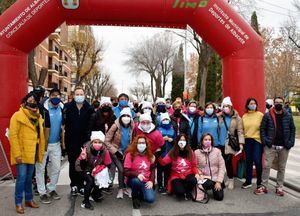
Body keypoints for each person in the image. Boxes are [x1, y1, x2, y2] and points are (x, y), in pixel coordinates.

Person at [9, 92, 46, 214]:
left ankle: (29, 200)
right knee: (21, 178)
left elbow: (40, 136)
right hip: (22, 153)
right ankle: (18, 202)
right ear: (25, 101)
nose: (32, 101)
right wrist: (17, 154)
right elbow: (13, 136)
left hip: (33, 152)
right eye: (29, 99)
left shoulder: (38, 117)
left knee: (29, 178)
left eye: (34, 100)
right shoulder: (17, 116)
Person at [257, 97, 295, 196]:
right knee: (267, 166)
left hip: (284, 146)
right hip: (270, 146)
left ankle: (279, 187)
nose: (278, 104)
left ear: (283, 104)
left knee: (282, 167)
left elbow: (292, 129)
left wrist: (290, 143)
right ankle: (264, 186)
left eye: (280, 102)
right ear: (273, 104)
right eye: (276, 102)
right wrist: (265, 141)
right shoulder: (268, 115)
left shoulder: (288, 115)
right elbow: (262, 129)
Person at [36, 88, 65, 204]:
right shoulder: (42, 109)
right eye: (53, 95)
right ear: (49, 96)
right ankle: (42, 192)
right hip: (43, 144)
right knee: (40, 169)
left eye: (58, 95)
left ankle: (52, 188)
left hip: (56, 144)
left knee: (57, 168)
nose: (56, 97)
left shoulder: (63, 108)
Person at [64, 86, 94, 196]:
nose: (79, 96)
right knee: (72, 163)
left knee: (82, 163)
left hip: (84, 141)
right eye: (77, 94)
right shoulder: (67, 107)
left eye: (81, 94)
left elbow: (91, 125)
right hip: (71, 140)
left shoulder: (89, 108)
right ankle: (74, 185)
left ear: (84, 95)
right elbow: (64, 125)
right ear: (74, 95)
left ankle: (82, 184)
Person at [75, 131, 112, 210]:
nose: (97, 144)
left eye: (99, 142)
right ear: (92, 142)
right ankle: (85, 202)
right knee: (90, 180)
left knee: (102, 177)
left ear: (102, 143)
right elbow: (82, 166)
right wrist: (83, 158)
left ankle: (94, 195)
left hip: (94, 168)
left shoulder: (105, 151)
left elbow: (108, 165)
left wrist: (100, 169)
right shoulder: (86, 149)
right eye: (95, 142)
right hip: (82, 167)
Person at [105, 107, 135, 199]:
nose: (126, 117)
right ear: (120, 117)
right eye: (124, 116)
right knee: (121, 170)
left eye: (128, 116)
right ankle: (120, 189)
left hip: (128, 153)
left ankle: (128, 187)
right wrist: (115, 151)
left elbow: (135, 139)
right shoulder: (115, 126)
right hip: (117, 152)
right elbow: (107, 141)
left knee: (128, 170)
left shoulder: (133, 126)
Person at [158, 134, 198, 200]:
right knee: (179, 192)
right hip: (176, 175)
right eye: (180, 140)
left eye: (184, 140)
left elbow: (194, 165)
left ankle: (188, 190)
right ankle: (180, 188)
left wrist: (196, 173)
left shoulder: (190, 151)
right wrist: (158, 156)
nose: (182, 142)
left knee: (193, 180)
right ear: (177, 141)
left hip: (188, 173)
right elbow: (163, 162)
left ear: (186, 142)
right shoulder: (173, 151)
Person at [219, 96, 244, 190]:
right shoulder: (220, 116)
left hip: (229, 143)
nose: (226, 108)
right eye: (224, 106)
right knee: (222, 163)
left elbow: (240, 131)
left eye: (228, 106)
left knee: (228, 161)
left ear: (231, 107)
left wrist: (241, 143)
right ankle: (227, 179)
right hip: (219, 142)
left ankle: (231, 179)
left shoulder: (237, 118)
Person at [124, 135, 156, 209]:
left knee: (150, 199)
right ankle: (135, 197)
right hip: (133, 179)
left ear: (146, 144)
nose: (141, 144)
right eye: (139, 143)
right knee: (136, 181)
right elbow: (125, 171)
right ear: (136, 144)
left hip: (146, 180)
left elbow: (152, 169)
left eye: (143, 143)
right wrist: (137, 174)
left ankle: (141, 193)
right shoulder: (130, 155)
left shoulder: (150, 155)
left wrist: (151, 181)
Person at [195, 133, 226, 201]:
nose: (208, 141)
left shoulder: (217, 151)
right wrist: (199, 174)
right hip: (204, 178)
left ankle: (218, 185)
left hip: (215, 177)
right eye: (205, 139)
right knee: (209, 184)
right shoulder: (197, 152)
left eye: (209, 139)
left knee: (219, 197)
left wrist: (218, 181)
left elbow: (222, 167)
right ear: (202, 141)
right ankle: (202, 191)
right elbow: (194, 166)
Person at [241, 98, 264, 190]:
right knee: (248, 161)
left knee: (258, 161)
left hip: (257, 141)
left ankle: (259, 182)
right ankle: (248, 181)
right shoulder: (244, 116)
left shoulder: (260, 115)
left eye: (254, 103)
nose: (253, 104)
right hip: (247, 141)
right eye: (251, 103)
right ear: (247, 105)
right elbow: (241, 130)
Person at [157, 112, 176, 194]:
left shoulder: (172, 129)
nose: (165, 120)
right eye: (164, 119)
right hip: (161, 154)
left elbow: (176, 142)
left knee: (168, 171)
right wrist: (162, 139)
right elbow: (155, 141)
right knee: (160, 171)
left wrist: (172, 140)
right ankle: (160, 186)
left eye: (167, 119)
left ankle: (167, 185)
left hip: (169, 154)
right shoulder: (158, 129)